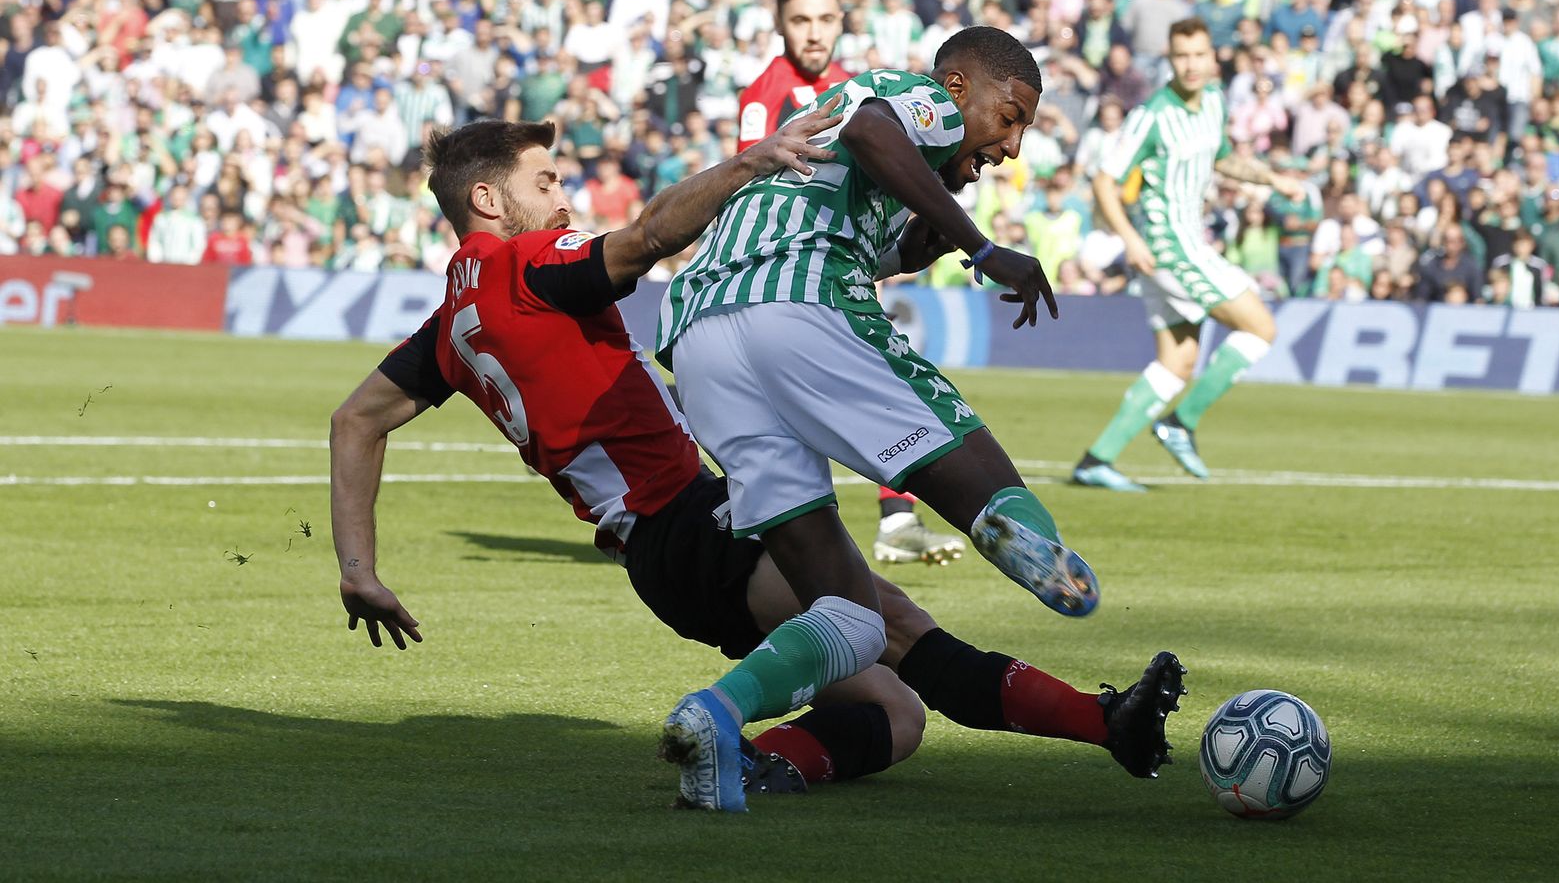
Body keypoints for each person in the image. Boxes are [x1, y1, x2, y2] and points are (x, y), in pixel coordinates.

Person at [329, 114, 1187, 814]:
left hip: (658, 550)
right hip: (689, 521)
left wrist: (359, 569)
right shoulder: (521, 265)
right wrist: (750, 163)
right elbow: (645, 239)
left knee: (894, 714)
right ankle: (1107, 722)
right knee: (885, 622)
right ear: (487, 197)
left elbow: (355, 422)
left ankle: (738, 758)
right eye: (545, 182)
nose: (563, 198)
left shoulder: (450, 325)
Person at [656, 26, 1111, 804]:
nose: (1011, 145)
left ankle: (717, 713)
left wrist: (913, 251)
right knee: (957, 445)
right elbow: (874, 130)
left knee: (851, 617)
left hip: (700, 342)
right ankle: (1016, 524)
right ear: (963, 88)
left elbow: (832, 204)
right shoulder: (920, 94)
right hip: (797, 304)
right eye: (1011, 117)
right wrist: (980, 247)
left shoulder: (833, 145)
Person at [738, 0, 963, 567]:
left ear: (842, 20)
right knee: (845, 393)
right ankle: (834, 529)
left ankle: (893, 520)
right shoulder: (764, 97)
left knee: (881, 385)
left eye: (825, 19)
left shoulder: (857, 86)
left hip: (852, 262)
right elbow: (746, 183)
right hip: (794, 274)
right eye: (800, 20)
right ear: (780, 24)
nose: (814, 33)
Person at [1072, 18, 1306, 492]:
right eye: (1181, 56)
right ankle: (1182, 422)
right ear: (1170, 60)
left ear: (1212, 58)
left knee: (1178, 361)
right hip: (1170, 246)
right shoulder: (1153, 115)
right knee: (1260, 327)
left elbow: (1220, 157)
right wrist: (1130, 239)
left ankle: (1097, 459)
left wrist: (1271, 179)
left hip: (1180, 246)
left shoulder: (1215, 102)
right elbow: (1103, 180)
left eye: (1199, 55)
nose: (1191, 65)